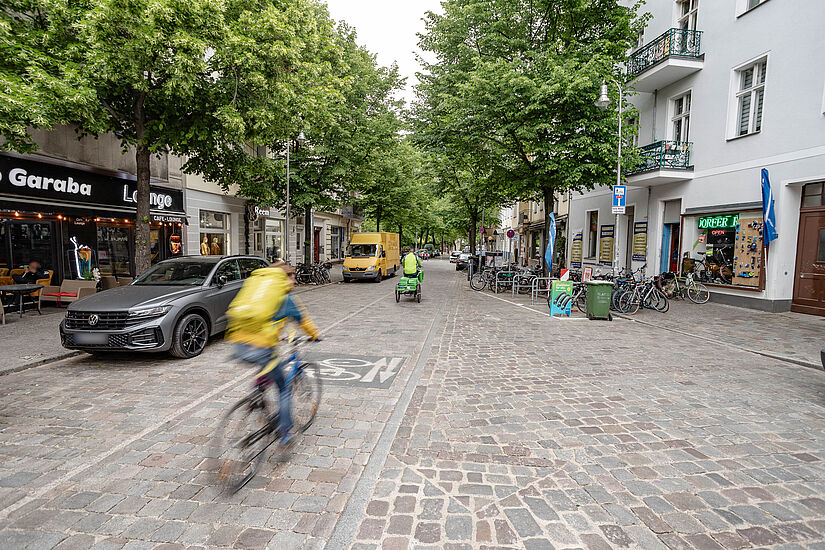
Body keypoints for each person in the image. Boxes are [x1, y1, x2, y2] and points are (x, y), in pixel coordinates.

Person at [227, 262, 319, 447]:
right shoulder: (286, 298)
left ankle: (258, 394)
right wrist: (315, 336)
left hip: (239, 344)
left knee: (267, 367)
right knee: (284, 389)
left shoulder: (259, 290)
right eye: (291, 276)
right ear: (284, 278)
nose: (294, 280)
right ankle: (284, 434)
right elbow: (304, 322)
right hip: (261, 347)